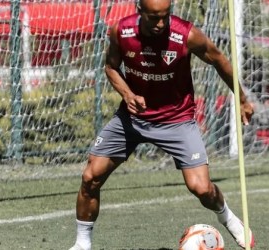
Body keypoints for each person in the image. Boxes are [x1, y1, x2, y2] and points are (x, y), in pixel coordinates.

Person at [69, 0, 255, 249]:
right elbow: (111, 67)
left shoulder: (186, 35)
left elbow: (219, 59)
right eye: (153, 17)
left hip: (176, 120)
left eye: (165, 16)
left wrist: (241, 99)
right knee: (90, 177)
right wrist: (127, 94)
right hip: (132, 118)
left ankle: (228, 217)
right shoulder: (120, 32)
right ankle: (82, 244)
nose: (160, 24)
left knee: (201, 188)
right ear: (139, 12)